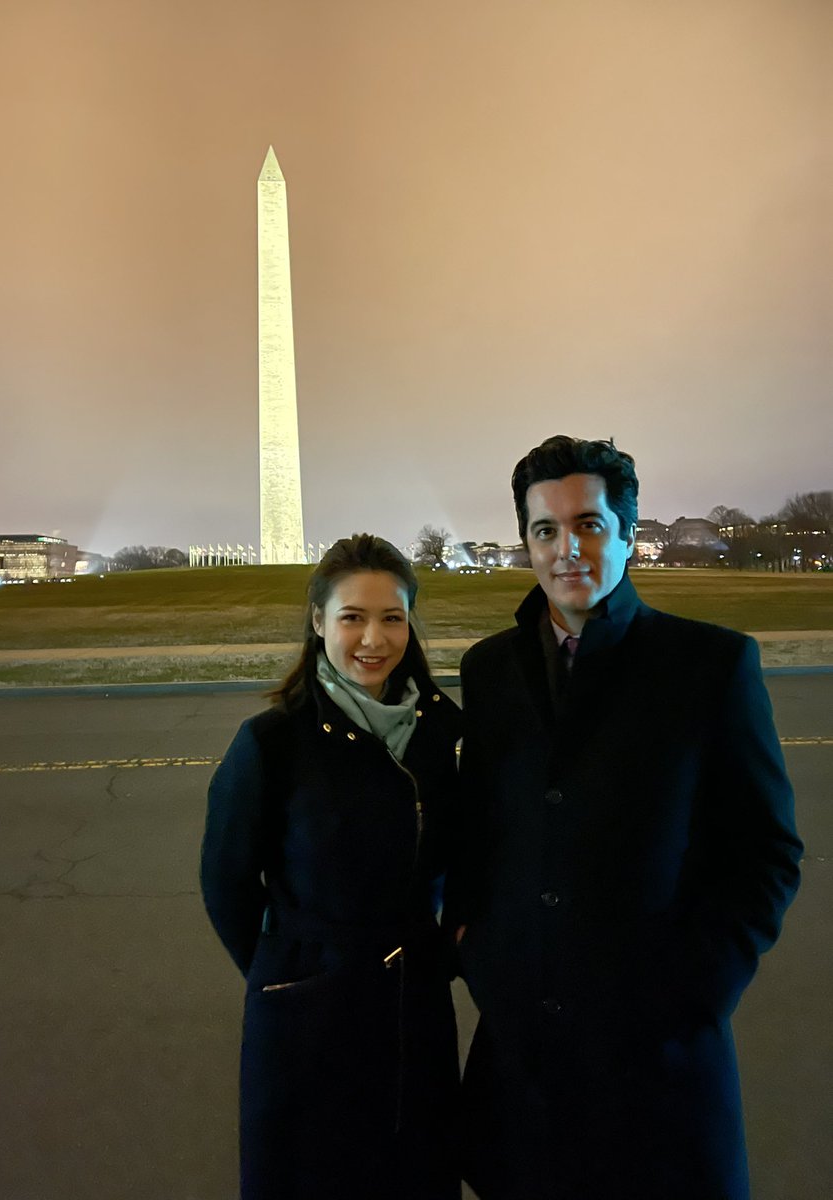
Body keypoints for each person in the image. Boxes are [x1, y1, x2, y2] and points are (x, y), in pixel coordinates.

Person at [446, 435, 802, 1200]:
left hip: (657, 1059)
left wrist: (695, 991)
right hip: (524, 1054)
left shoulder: (710, 666)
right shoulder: (489, 669)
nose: (566, 549)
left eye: (589, 524)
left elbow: (766, 853)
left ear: (629, 533)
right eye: (545, 529)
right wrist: (480, 952)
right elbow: (477, 831)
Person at [201, 533, 462, 1200]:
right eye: (353, 617)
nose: (373, 638)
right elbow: (227, 883)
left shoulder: (443, 733)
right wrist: (289, 970)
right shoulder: (272, 742)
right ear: (319, 622)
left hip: (413, 1007)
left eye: (392, 617)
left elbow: (470, 855)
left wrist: (445, 947)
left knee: (412, 1174)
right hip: (308, 1013)